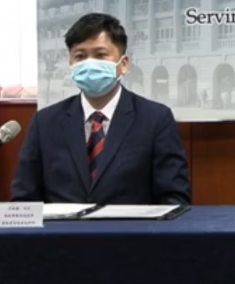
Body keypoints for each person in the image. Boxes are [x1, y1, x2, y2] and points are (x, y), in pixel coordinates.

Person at [12, 13, 192, 205]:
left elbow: (175, 199)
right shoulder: (45, 122)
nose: (90, 64)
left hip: (133, 224)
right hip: (61, 226)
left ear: (123, 64)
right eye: (80, 56)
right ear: (71, 64)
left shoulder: (155, 119)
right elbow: (24, 200)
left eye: (100, 55)